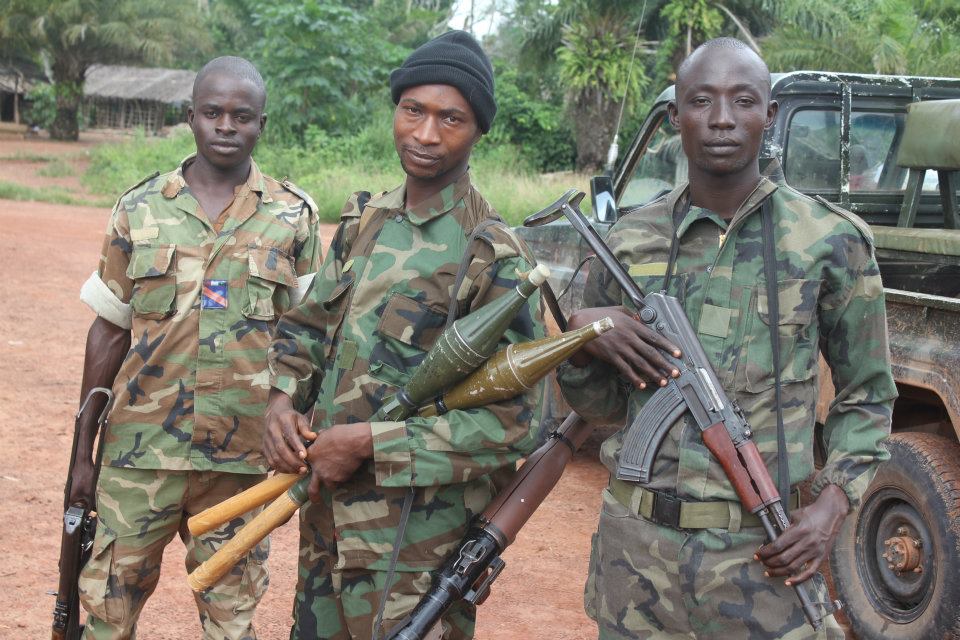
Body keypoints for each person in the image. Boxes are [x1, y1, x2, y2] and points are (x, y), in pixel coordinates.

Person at [558, 38, 897, 639]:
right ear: (674, 117)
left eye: (743, 101)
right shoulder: (628, 242)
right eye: (701, 101)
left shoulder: (829, 240)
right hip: (638, 558)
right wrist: (583, 341)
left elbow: (867, 395)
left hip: (761, 559)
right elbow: (605, 406)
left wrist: (832, 505)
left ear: (769, 115)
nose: (721, 120)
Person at [264, 30, 544, 640]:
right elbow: (311, 325)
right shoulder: (365, 220)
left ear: (478, 131)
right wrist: (282, 398)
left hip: (414, 549)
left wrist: (369, 443)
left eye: (451, 118)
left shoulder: (494, 255)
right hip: (327, 523)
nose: (425, 134)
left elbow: (513, 426)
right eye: (412, 110)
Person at [69, 56, 321, 639]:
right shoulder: (140, 207)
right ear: (190, 117)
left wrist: (304, 424)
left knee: (233, 622)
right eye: (212, 113)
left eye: (242, 115)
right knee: (107, 615)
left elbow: (313, 334)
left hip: (244, 461)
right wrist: (83, 454)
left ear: (262, 123)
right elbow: (108, 331)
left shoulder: (293, 216)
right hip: (140, 456)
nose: (226, 126)